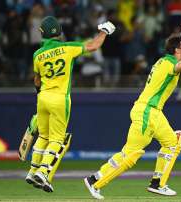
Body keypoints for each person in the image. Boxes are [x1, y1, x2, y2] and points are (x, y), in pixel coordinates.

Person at [84, 33, 181, 200]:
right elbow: (179, 67)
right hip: (147, 112)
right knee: (130, 155)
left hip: (153, 113)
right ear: (177, 49)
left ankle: (157, 183)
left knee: (172, 143)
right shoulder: (168, 63)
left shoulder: (165, 61)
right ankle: (94, 182)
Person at [25, 16, 115, 193]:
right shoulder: (68, 48)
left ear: (42, 34)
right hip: (60, 98)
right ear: (59, 32)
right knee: (57, 139)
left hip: (43, 97)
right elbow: (93, 46)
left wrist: (40, 95)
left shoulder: (37, 55)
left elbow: (36, 80)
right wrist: (104, 32)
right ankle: (43, 172)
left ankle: (32, 171)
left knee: (43, 136)